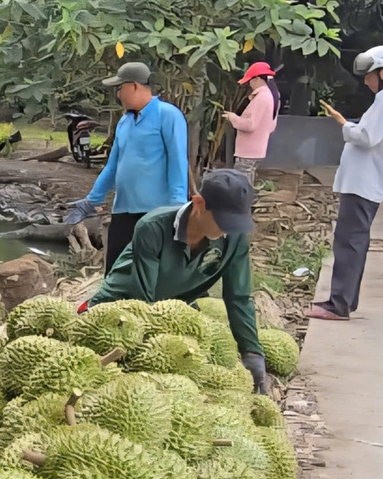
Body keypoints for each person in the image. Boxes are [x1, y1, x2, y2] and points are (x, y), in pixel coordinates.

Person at [90, 169, 273, 394]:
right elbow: (143, 299)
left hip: (177, 308)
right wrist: (158, 353)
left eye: (234, 223)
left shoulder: (233, 239)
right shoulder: (153, 227)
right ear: (198, 203)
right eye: (222, 220)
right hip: (122, 307)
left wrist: (252, 352)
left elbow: (239, 297)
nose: (226, 229)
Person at [310, 45, 383, 321]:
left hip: (365, 180)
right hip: (371, 179)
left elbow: (368, 137)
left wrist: (345, 125)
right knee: (352, 239)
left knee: (350, 241)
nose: (367, 81)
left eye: (369, 75)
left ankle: (340, 303)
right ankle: (342, 300)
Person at [63, 61, 191, 272]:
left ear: (134, 86)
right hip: (123, 209)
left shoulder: (168, 115)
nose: (118, 94)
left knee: (153, 271)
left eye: (120, 88)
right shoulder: (125, 121)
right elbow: (113, 165)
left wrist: (176, 209)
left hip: (156, 212)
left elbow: (178, 162)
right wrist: (91, 200)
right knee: (116, 271)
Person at [223, 61, 281, 181]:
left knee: (241, 182)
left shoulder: (262, 97)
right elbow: (271, 126)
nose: (249, 84)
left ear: (258, 79)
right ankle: (248, 199)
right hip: (257, 150)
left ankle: (245, 200)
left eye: (250, 80)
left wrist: (232, 117)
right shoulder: (271, 96)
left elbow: (250, 125)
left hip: (248, 151)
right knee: (247, 180)